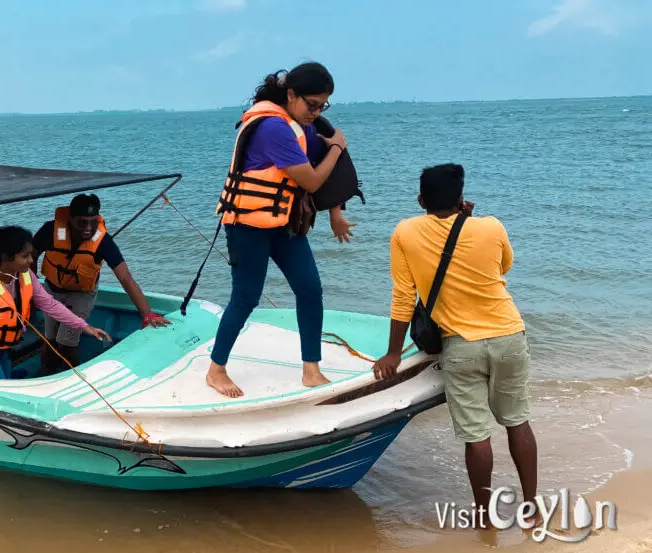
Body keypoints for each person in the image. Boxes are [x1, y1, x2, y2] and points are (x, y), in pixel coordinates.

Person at [372, 163, 537, 525]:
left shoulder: (404, 232)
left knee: (477, 436)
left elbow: (403, 297)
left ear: (420, 200)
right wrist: (469, 224)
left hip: (462, 345)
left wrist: (393, 353)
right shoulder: (490, 226)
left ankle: (484, 517)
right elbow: (503, 267)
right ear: (462, 199)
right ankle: (532, 509)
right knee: (517, 422)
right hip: (509, 335)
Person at [206, 61, 355, 398]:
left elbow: (331, 173)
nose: (316, 113)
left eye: (323, 106)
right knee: (246, 297)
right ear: (290, 95)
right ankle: (216, 370)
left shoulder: (301, 127)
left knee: (309, 288)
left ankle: (311, 370)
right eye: (311, 104)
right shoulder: (273, 129)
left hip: (284, 224)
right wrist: (336, 146)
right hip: (247, 226)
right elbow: (314, 178)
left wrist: (336, 212)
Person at [0, 225, 111, 392]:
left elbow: (49, 304)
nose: (31, 260)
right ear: (5, 258)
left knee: (5, 380)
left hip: (1, 345)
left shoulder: (24, 275)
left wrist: (83, 326)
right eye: (25, 256)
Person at [31, 193, 171, 374]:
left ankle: (75, 375)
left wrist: (147, 315)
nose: (88, 228)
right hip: (52, 291)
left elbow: (125, 278)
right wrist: (31, 291)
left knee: (66, 341)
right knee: (49, 339)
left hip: (82, 295)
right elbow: (30, 257)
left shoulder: (103, 241)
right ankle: (46, 372)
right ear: (71, 219)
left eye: (93, 221)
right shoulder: (51, 230)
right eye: (82, 222)